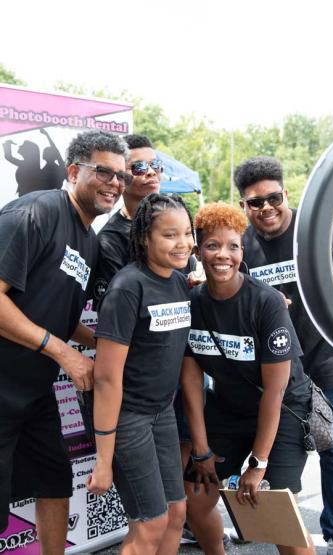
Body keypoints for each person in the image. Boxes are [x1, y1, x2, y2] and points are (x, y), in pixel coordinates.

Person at [0, 130, 129, 554]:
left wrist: (109, 346)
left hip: (34, 392)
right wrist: (63, 353)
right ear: (74, 171)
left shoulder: (90, 241)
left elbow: (60, 313)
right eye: (103, 171)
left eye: (121, 176)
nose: (114, 182)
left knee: (54, 479)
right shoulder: (36, 212)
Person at [235, 156, 333, 555]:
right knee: (279, 455)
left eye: (273, 197)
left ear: (285, 193)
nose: (266, 208)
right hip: (280, 375)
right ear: (244, 205)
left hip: (331, 366)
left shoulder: (319, 234)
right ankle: (275, 531)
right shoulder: (242, 244)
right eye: (254, 202)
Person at [181, 202, 316, 555]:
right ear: (197, 251)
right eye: (212, 245)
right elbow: (192, 383)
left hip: (283, 410)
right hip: (230, 409)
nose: (222, 255)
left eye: (232, 246)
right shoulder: (192, 303)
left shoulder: (266, 302)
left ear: (242, 250)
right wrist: (201, 449)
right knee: (194, 501)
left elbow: (276, 389)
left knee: (276, 514)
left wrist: (258, 464)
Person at [87, 193, 194, 555]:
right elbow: (105, 378)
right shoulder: (127, 287)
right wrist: (104, 460)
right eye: (170, 235)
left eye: (187, 233)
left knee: (176, 513)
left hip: (162, 411)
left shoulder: (179, 282)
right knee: (149, 524)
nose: (183, 244)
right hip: (128, 417)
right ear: (145, 237)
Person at [92, 133, 196, 308]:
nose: (150, 172)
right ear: (120, 176)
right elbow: (115, 310)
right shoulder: (110, 240)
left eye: (155, 165)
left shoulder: (178, 219)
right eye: (138, 167)